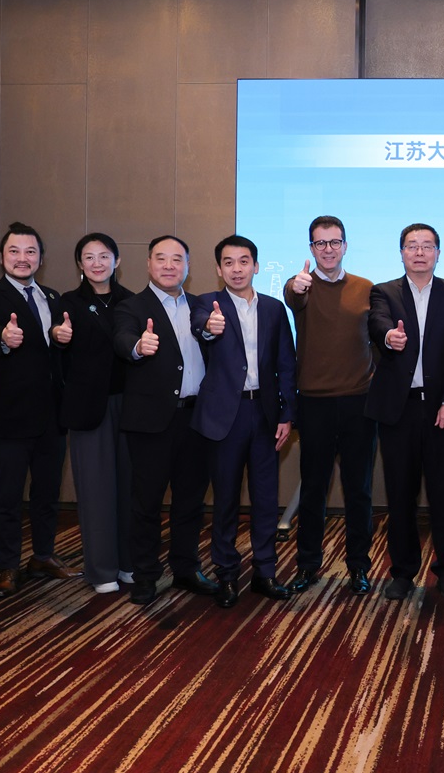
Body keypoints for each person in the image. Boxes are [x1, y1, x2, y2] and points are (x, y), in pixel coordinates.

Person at [0, 222, 80, 598]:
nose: (22, 258)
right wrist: (2, 336)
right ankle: (7, 566)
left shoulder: (52, 296)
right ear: (1, 257)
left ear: (41, 258)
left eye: (30, 251)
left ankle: (43, 556)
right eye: (14, 251)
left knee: (47, 493)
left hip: (52, 416)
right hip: (10, 417)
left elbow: (56, 350)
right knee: (8, 496)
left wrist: (61, 339)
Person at [366, 223, 444, 601]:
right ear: (401, 253)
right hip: (400, 410)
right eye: (412, 246)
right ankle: (402, 572)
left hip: (442, 410)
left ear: (438, 253)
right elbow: (377, 322)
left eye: (427, 246)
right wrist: (388, 336)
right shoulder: (384, 292)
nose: (419, 252)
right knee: (400, 496)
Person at [192, 235, 298, 608]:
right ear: (218, 268)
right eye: (228, 262)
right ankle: (226, 574)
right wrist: (210, 326)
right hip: (226, 416)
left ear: (255, 265)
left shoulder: (273, 308)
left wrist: (287, 413)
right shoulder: (207, 303)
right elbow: (201, 326)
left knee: (266, 498)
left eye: (243, 261)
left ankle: (265, 572)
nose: (236, 269)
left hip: (265, 414)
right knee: (225, 500)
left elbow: (286, 363)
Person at [113, 236, 216, 606]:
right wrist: (138, 347)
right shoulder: (131, 306)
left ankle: (186, 568)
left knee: (191, 501)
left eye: (177, 259)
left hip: (196, 419)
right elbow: (122, 339)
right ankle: (145, 575)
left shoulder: (202, 306)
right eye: (161, 258)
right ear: (148, 264)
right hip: (151, 422)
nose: (169, 266)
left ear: (188, 265)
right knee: (146, 503)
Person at [283, 216, 377, 597]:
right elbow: (293, 297)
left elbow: (378, 337)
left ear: (345, 246)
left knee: (359, 491)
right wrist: (296, 285)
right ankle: (307, 565)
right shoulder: (301, 285)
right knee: (313, 490)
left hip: (359, 403)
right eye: (320, 243)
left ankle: (359, 566)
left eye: (334, 242)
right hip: (315, 403)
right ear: (311, 248)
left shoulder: (366, 288)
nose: (328, 249)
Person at [54, 233, 136, 595]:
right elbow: (57, 344)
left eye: (104, 256)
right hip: (89, 407)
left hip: (130, 405)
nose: (97, 263)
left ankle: (128, 563)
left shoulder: (132, 301)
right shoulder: (67, 303)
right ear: (79, 264)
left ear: (117, 261)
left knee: (130, 487)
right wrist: (58, 336)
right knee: (96, 489)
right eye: (89, 257)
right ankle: (101, 570)